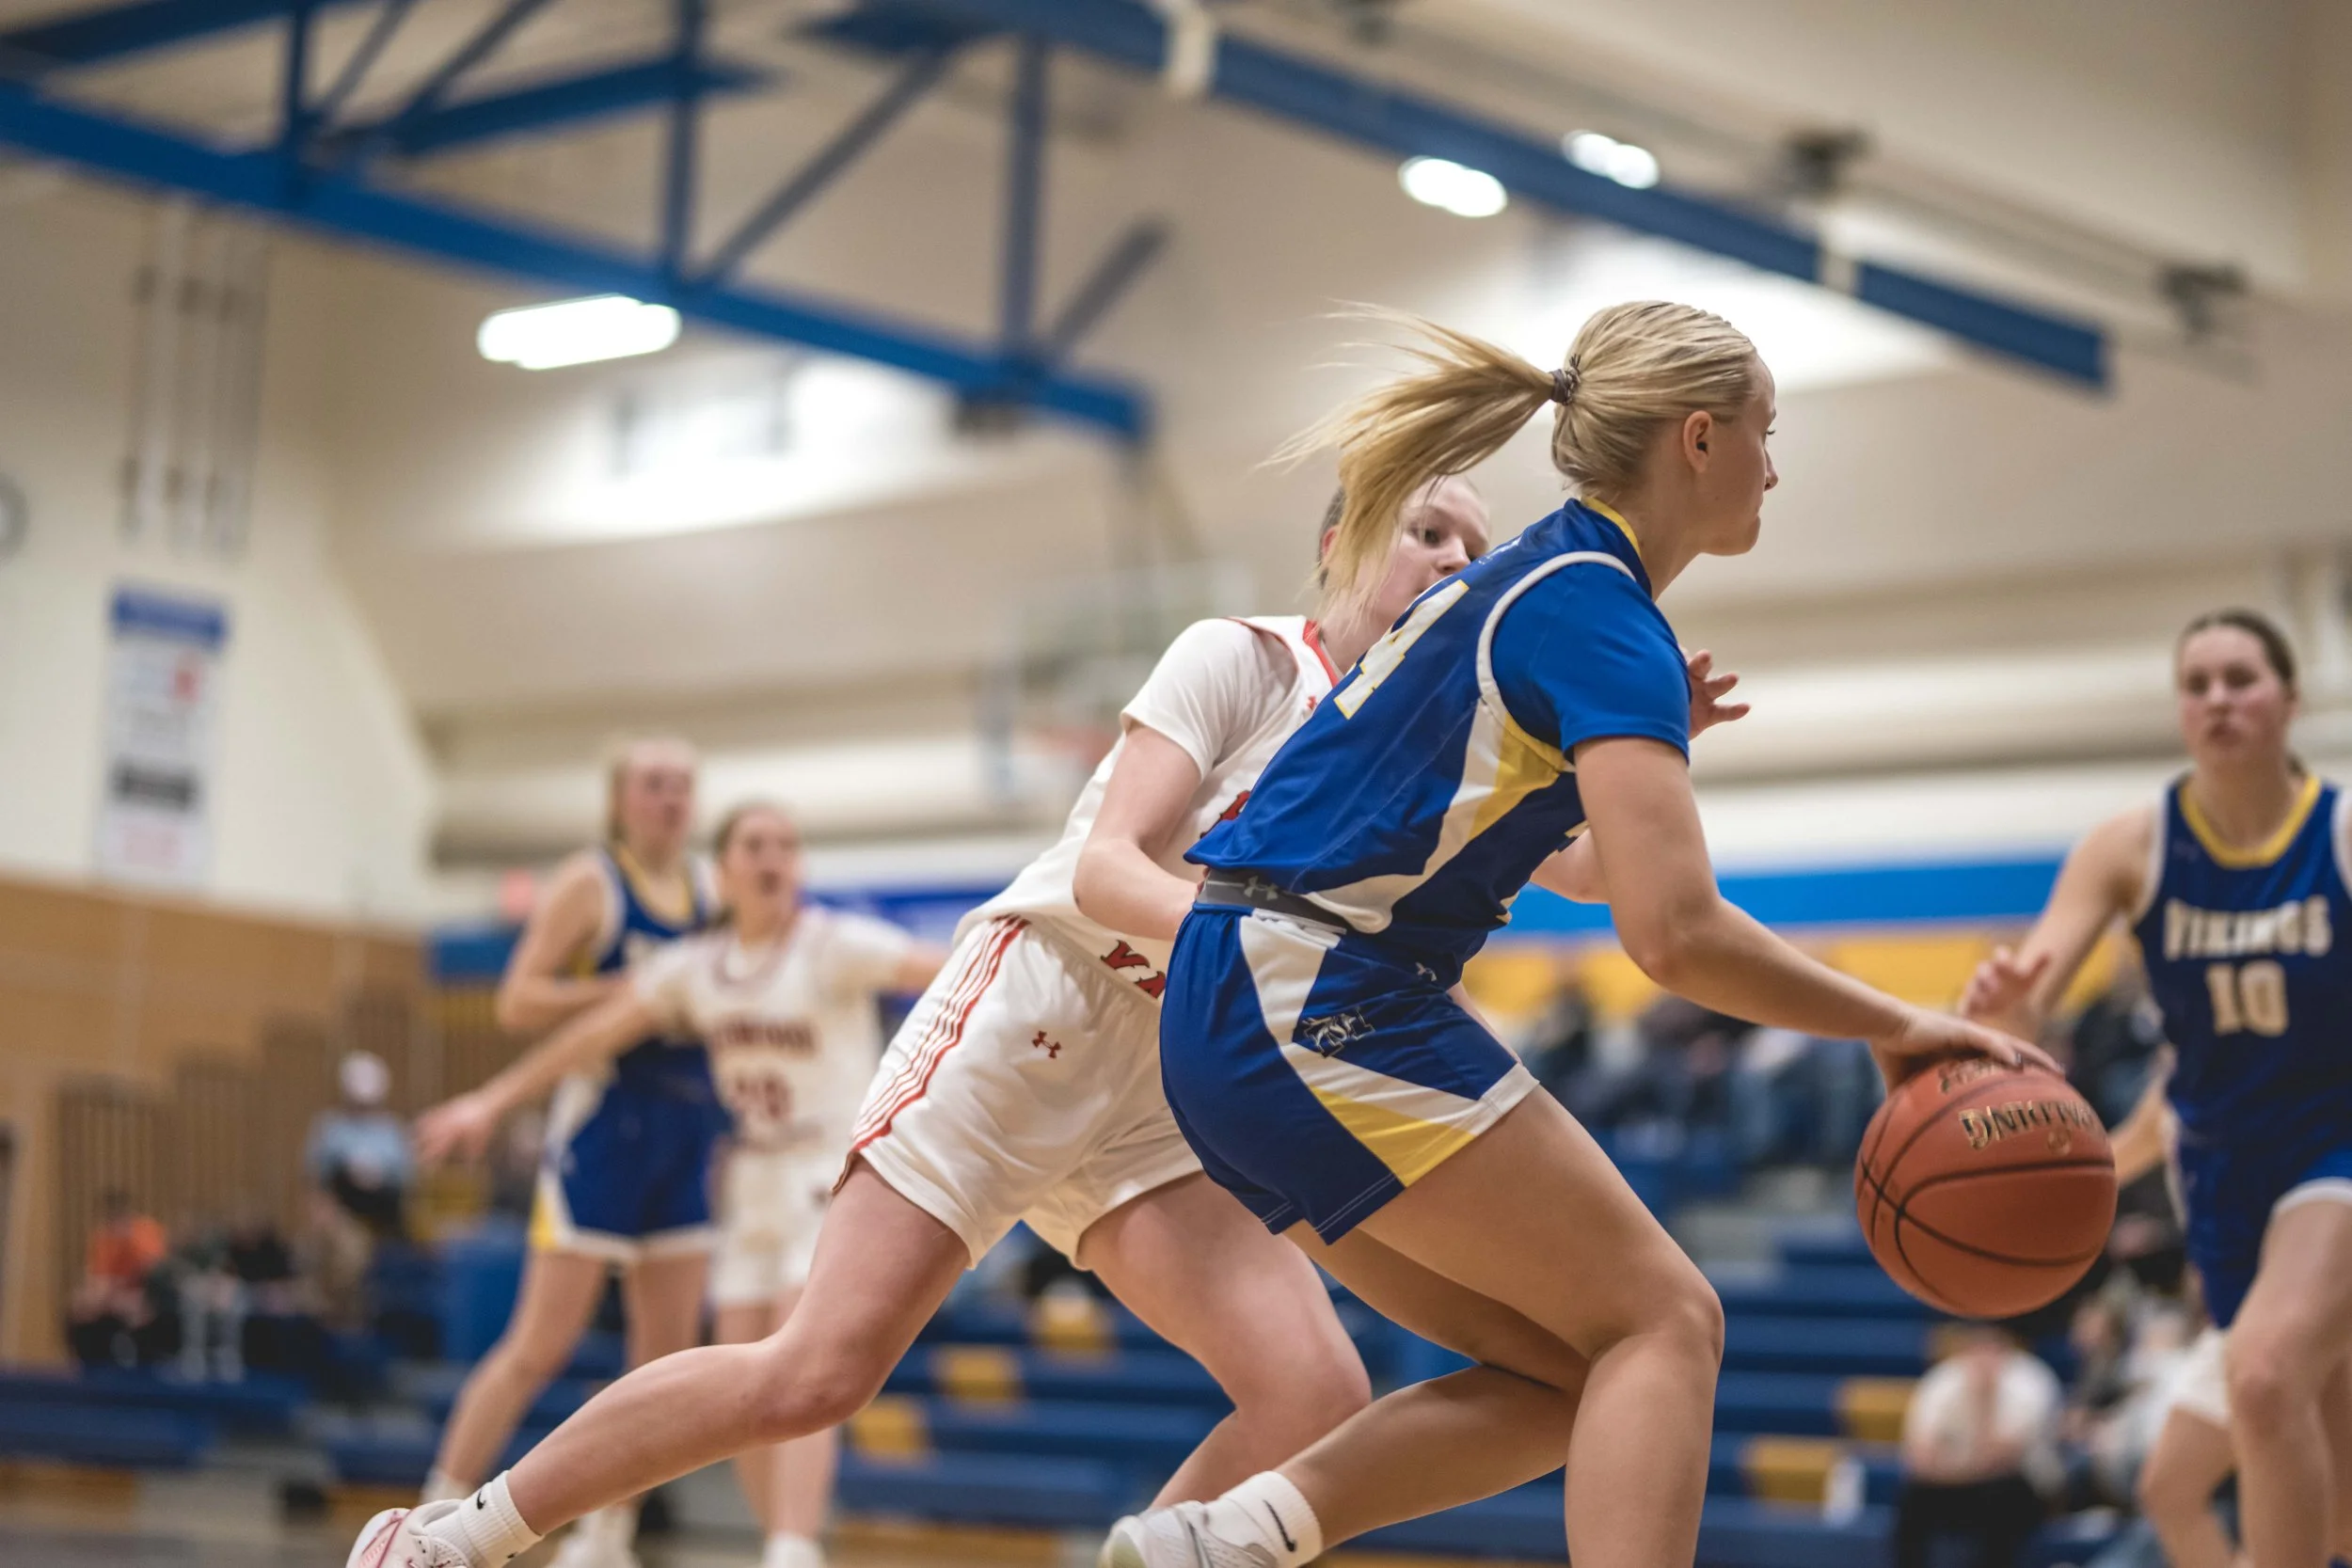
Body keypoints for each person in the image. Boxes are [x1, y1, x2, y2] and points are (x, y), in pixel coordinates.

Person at [345, 477, 1504, 1568]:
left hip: (1170, 1078)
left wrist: (1631, 738)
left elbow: (1574, 854)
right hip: (1036, 1008)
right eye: (1427, 530)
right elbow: (1107, 871)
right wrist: (1269, 946)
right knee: (813, 1374)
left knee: (1315, 1390)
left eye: (1477, 548)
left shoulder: (1410, 759)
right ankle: (457, 1534)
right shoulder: (1241, 658)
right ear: (1336, 542)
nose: (1455, 559)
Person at [1101, 302, 2045, 1568]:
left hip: (1238, 1007)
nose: (1776, 463)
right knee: (1668, 1319)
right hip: (1312, 994)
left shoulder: (1533, 581)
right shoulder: (1597, 607)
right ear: (1698, 438)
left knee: (1567, 1368)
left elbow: (1573, 863)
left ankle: (1219, 1540)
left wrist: (1624, 755)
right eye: (1769, 433)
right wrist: (1900, 1019)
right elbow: (1677, 934)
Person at [415, 800, 946, 1568]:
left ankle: (794, 1551)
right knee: (747, 1394)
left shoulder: (835, 944)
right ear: (724, 871)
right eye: (756, 846)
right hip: (747, 1176)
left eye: (787, 846)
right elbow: (591, 1036)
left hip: (829, 1172)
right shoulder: (698, 967)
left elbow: (957, 972)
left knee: (805, 1361)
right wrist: (491, 1101)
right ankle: (782, 1543)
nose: (774, 859)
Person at [1961, 609, 2352, 1568]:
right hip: (2223, 1186)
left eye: (2240, 677)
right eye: (2197, 682)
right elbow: (2029, 1001)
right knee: (2272, 1499)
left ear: (2289, 700)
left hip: (2334, 1159)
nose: (2217, 698)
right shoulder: (2129, 846)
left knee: (2261, 1380)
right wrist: (2008, 1009)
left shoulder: (2338, 831)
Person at [421, 736, 721, 1568]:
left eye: (683, 787)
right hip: (603, 1126)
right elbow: (518, 999)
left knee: (662, 1359)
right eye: (655, 785)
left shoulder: (709, 887)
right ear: (621, 797)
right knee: (538, 1345)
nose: (671, 799)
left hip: (686, 1128)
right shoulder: (593, 880)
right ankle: (427, 1511)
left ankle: (607, 1533)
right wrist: (634, 987)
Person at [1893, 1324, 2061, 1568]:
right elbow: (1919, 1459)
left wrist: (1985, 1398)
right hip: (1958, 1483)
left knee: (2000, 1495)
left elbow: (2001, 1460)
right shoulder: (1941, 1382)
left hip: (2025, 1490)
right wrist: (1964, 1470)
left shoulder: (2030, 1382)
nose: (1984, 1357)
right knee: (1913, 1495)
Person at [67, 1189, 167, 1368]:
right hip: (114, 1295)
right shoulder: (104, 1237)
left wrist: (129, 1243)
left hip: (143, 1295)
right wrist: (93, 1298)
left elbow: (153, 1272)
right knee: (79, 1309)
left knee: (136, 1308)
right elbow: (98, 1277)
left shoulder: (145, 1232)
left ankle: (140, 1364)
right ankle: (90, 1366)